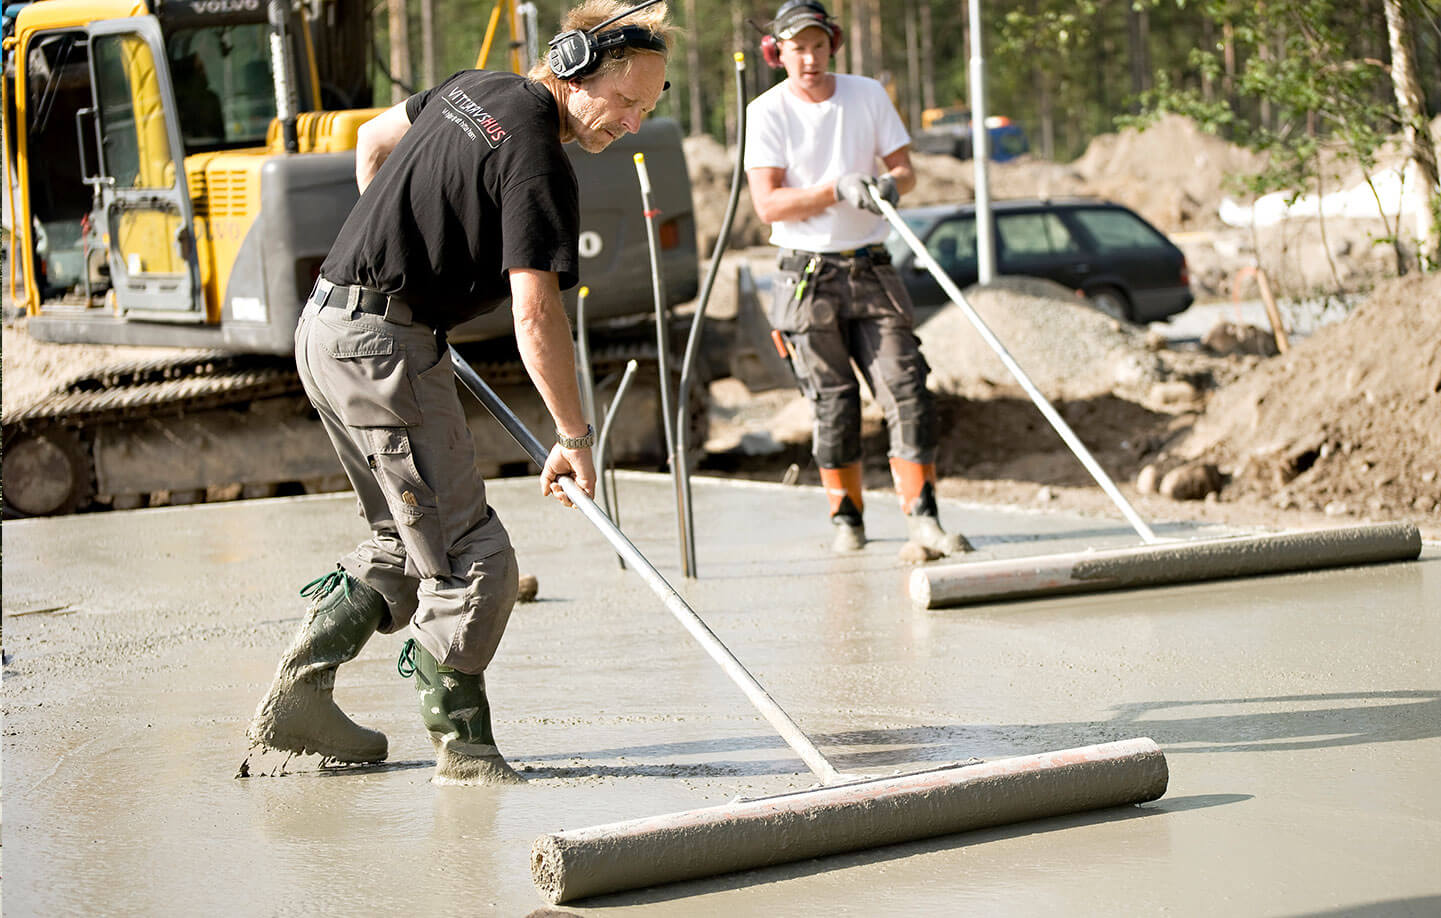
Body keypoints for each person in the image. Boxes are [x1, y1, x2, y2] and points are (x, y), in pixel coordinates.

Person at [244, 0, 673, 785]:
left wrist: (392, 243)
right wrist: (573, 440)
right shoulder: (541, 161)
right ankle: (464, 751)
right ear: (575, 70)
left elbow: (373, 142)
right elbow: (535, 310)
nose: (635, 123)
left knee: (402, 541)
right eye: (626, 102)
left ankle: (301, 696)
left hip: (328, 324)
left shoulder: (475, 86)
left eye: (650, 106)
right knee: (479, 558)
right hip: (383, 347)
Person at [744, 0, 970, 563]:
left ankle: (925, 519)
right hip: (807, 277)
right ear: (778, 53)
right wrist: (836, 189)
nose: (810, 58)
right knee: (833, 404)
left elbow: (905, 169)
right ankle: (847, 518)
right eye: (798, 48)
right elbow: (767, 205)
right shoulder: (767, 112)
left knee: (907, 389)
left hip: (870, 265)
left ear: (833, 46)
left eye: (819, 45)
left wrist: (892, 185)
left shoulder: (867, 95)